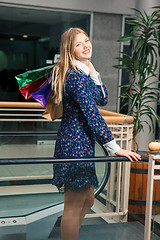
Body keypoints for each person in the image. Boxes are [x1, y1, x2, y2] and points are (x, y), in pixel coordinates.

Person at [51, 27, 141, 240]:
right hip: (74, 144)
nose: (86, 46)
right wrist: (115, 148)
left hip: (81, 142)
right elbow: (92, 114)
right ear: (69, 50)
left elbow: (101, 99)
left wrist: (93, 72)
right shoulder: (74, 75)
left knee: (89, 199)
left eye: (87, 41)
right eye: (78, 44)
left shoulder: (82, 72)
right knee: (73, 205)